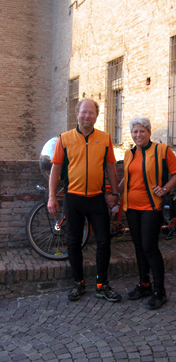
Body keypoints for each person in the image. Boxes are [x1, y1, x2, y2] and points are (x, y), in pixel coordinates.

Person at [47, 98, 122, 303]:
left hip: (97, 198)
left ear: (97, 115)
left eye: (91, 112)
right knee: (73, 242)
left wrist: (115, 193)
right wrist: (52, 196)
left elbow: (111, 168)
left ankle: (101, 284)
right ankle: (78, 282)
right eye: (83, 112)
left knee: (104, 241)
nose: (87, 116)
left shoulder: (105, 138)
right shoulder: (65, 138)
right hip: (73, 198)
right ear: (77, 114)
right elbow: (55, 169)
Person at [119, 116, 176, 310]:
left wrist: (164, 189)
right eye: (135, 131)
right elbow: (126, 179)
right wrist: (115, 194)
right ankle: (144, 284)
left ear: (149, 132)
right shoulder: (129, 154)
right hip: (131, 207)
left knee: (150, 247)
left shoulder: (162, 150)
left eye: (142, 131)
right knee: (138, 247)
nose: (138, 135)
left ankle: (160, 292)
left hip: (151, 207)